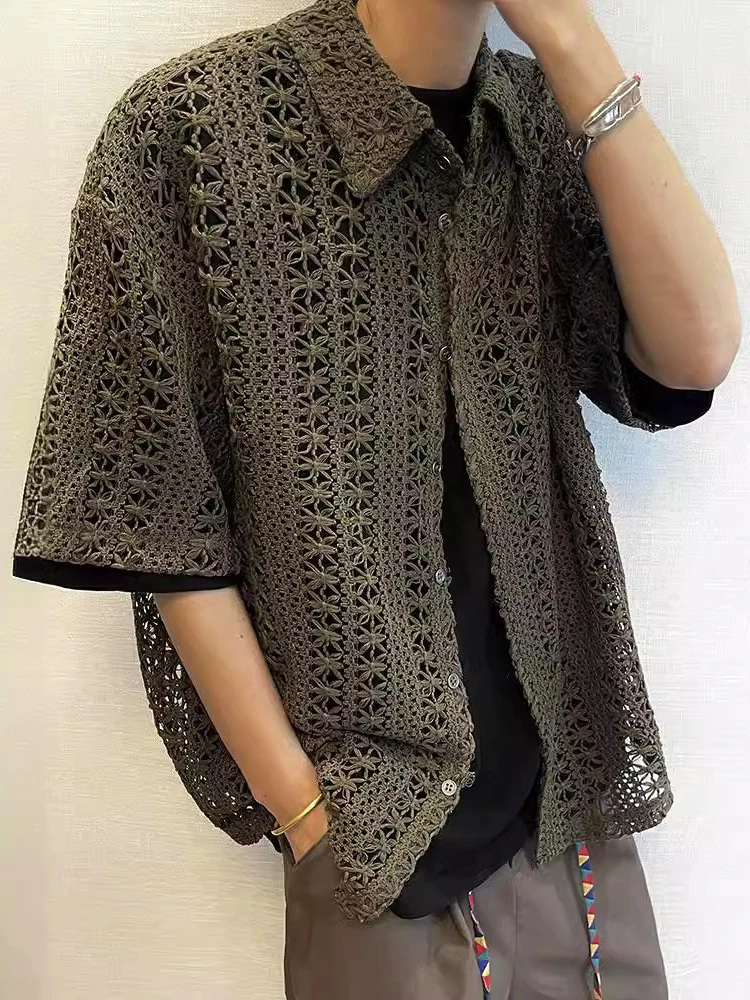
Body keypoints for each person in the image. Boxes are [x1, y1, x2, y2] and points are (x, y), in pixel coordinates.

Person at [12, 0, 740, 997]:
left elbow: (694, 352)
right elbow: (160, 518)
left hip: (574, 829)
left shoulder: (537, 122)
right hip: (373, 855)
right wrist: (306, 812)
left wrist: (572, 43)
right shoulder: (192, 130)